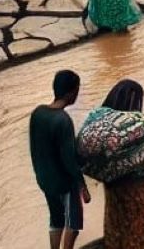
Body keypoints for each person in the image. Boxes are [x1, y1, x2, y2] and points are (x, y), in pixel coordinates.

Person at [96, 79, 144, 249]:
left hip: (114, 210)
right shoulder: (134, 133)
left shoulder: (104, 137)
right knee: (142, 240)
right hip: (140, 207)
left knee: (119, 238)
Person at [30, 70, 88, 249]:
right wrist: (82, 186)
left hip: (44, 180)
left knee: (56, 220)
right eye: (77, 90)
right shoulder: (63, 120)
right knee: (73, 223)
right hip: (64, 182)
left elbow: (36, 148)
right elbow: (69, 158)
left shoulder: (38, 113)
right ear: (71, 92)